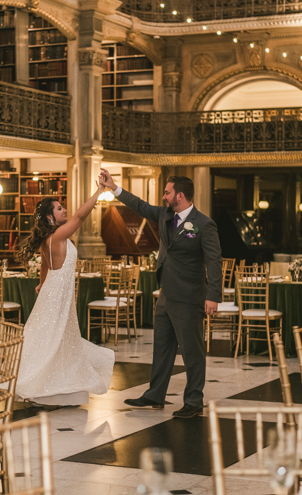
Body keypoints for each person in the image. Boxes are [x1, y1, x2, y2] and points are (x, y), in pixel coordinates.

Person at [99, 169, 222, 418]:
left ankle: (194, 400)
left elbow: (214, 260)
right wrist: (114, 188)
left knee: (192, 350)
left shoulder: (203, 224)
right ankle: (156, 394)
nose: (163, 197)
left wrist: (213, 295)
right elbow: (140, 206)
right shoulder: (166, 215)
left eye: (167, 192)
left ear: (180, 195)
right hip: (166, 293)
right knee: (162, 346)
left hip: (189, 296)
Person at [14, 181, 115, 406]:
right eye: (59, 209)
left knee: (53, 337)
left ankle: (55, 382)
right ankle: (40, 383)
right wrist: (98, 192)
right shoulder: (58, 236)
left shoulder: (50, 239)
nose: (65, 211)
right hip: (57, 293)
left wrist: (41, 285)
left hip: (54, 290)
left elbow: (44, 266)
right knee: (52, 337)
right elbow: (80, 217)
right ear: (50, 218)